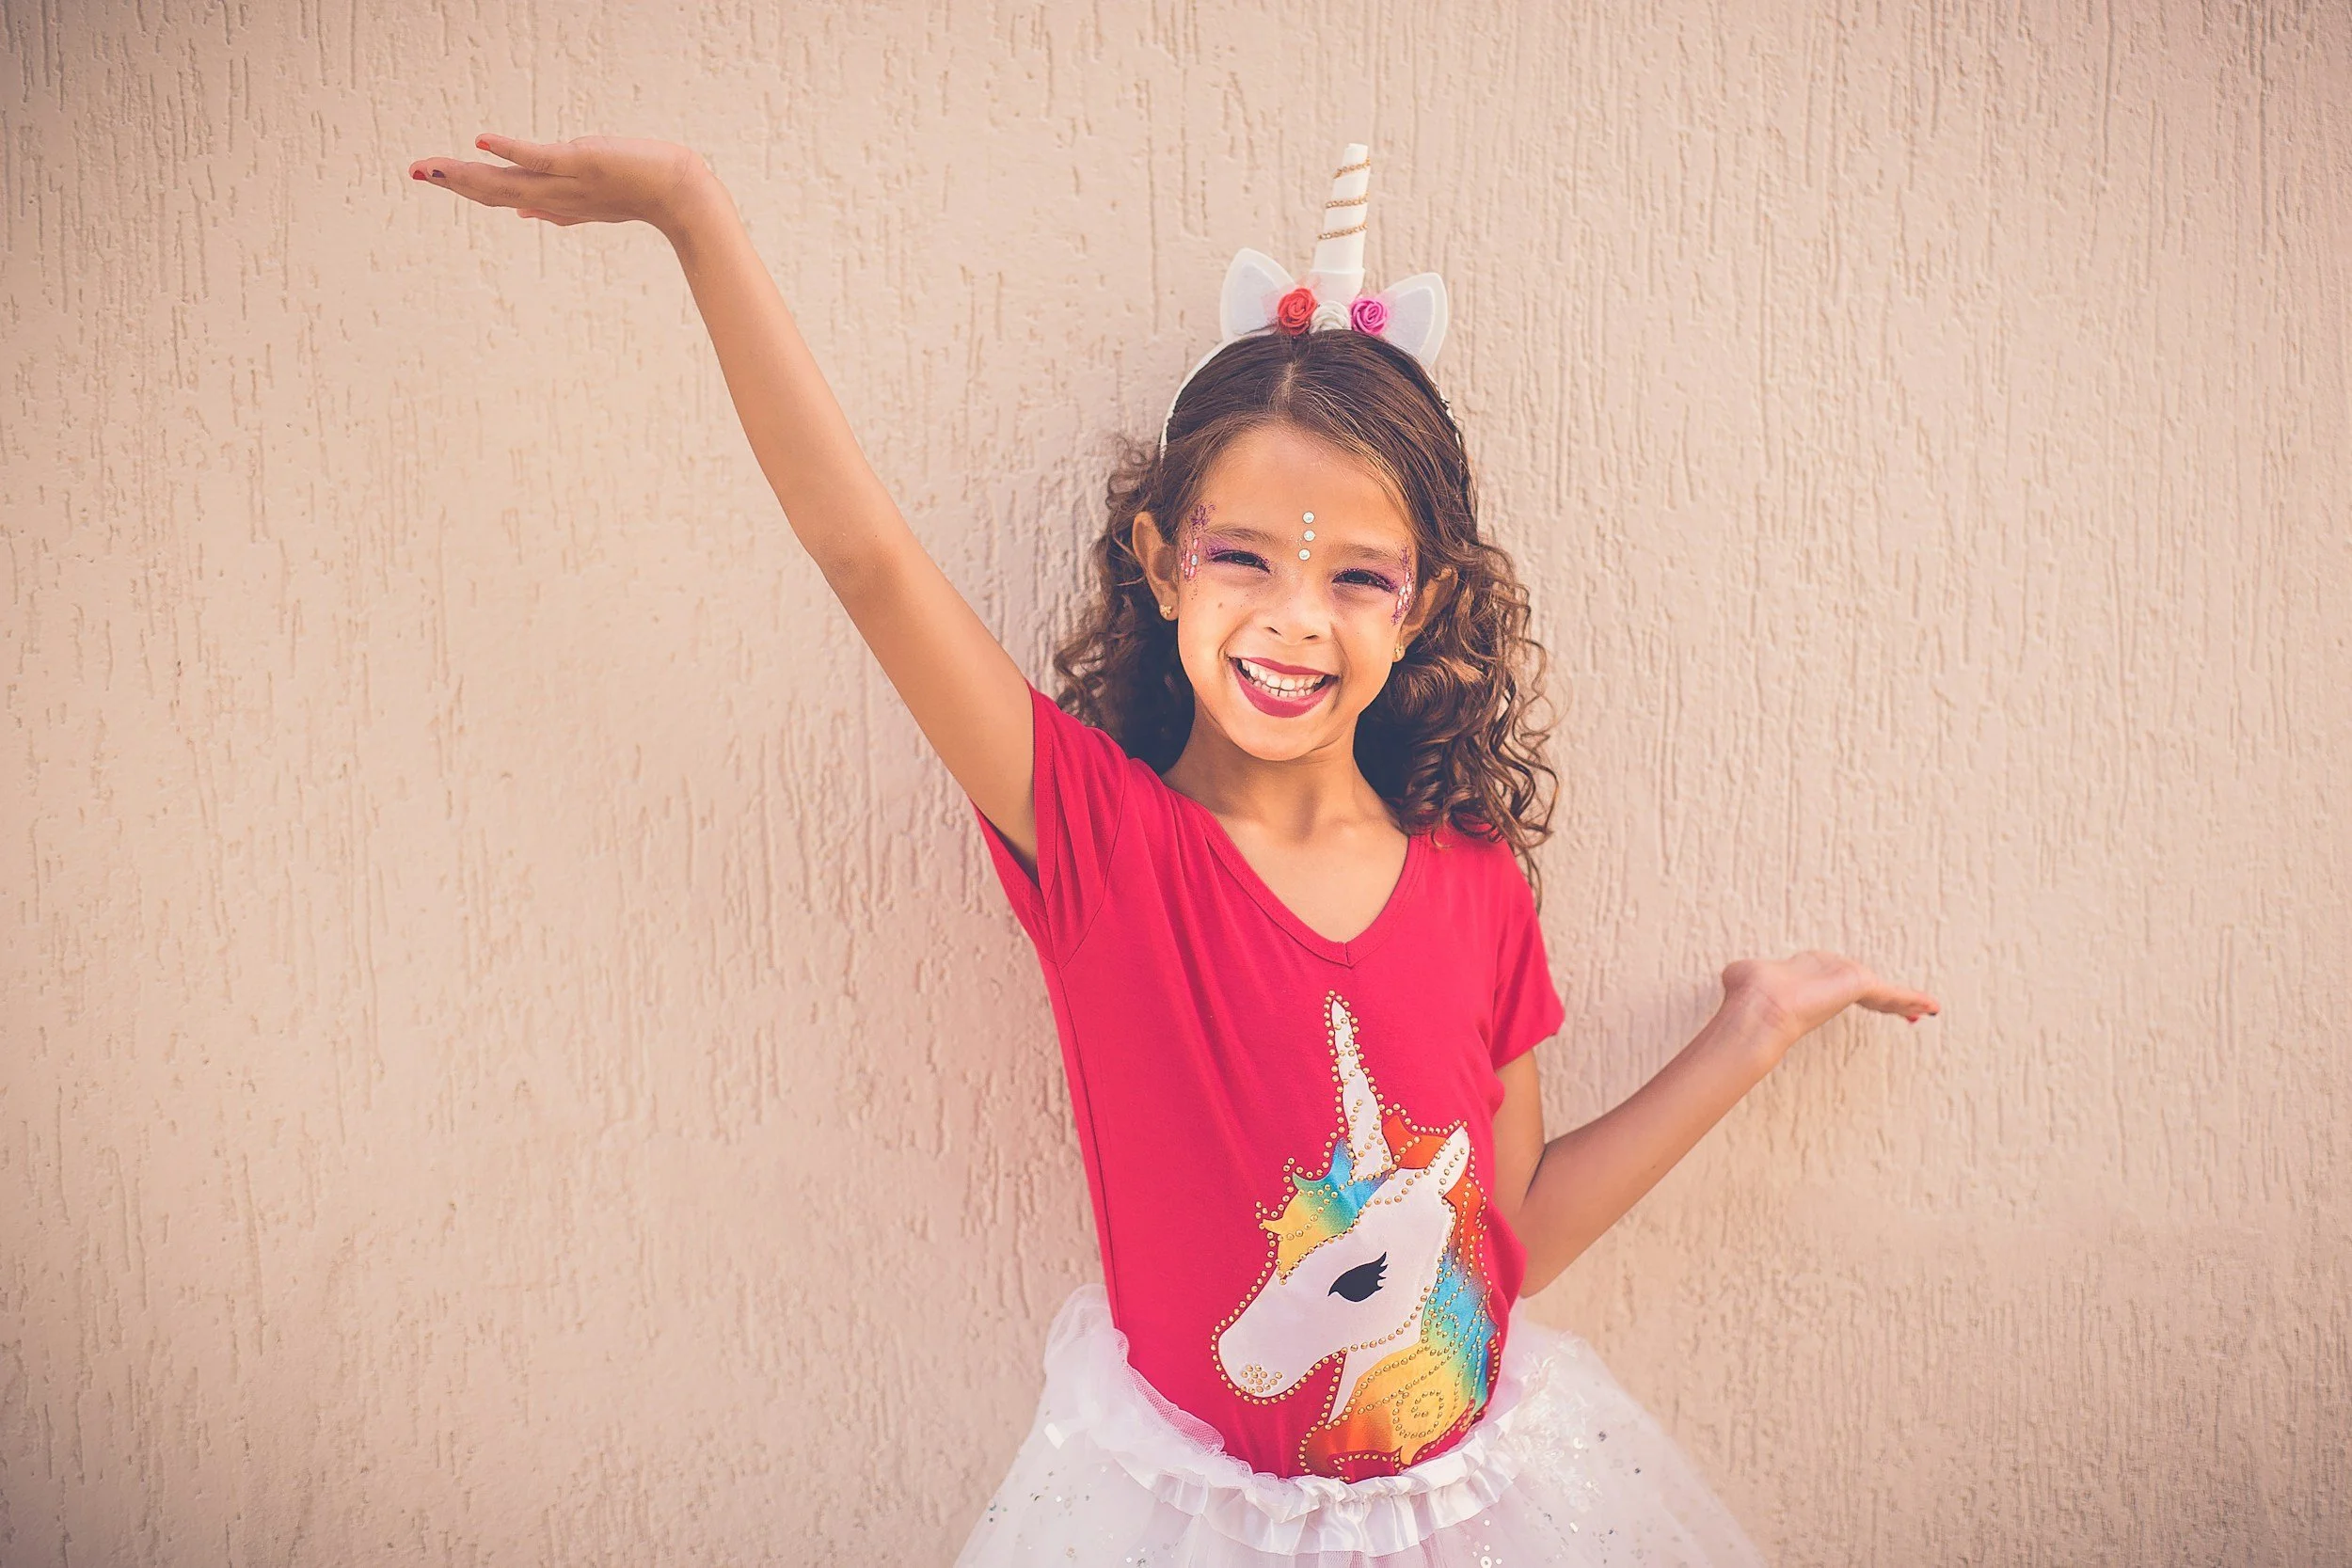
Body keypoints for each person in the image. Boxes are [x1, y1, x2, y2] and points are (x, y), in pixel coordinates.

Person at [408, 131, 1939, 1565]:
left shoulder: (1474, 880)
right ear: (1158, 562)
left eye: (1357, 574)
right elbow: (863, 556)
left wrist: (1744, 1038)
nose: (1293, 614)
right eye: (1244, 556)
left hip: (1467, 1517)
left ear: (1421, 605)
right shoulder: (1104, 841)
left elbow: (1510, 1232)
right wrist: (694, 215)